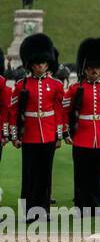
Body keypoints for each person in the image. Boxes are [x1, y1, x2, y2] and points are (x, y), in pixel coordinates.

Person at [11, 33, 65, 222]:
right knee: (29, 174)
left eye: (44, 63)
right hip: (30, 135)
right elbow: (14, 113)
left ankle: (43, 211)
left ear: (48, 63)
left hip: (48, 134)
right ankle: (27, 212)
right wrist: (15, 136)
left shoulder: (56, 85)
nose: (41, 66)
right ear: (30, 64)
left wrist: (59, 136)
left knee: (45, 174)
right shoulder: (21, 85)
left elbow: (59, 112)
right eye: (37, 63)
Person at [63, 37, 100, 216]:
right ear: (84, 69)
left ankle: (94, 206)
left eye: (97, 67)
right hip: (82, 136)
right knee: (81, 174)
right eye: (90, 67)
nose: (94, 70)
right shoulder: (75, 88)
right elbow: (66, 112)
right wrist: (67, 132)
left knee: (97, 174)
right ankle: (80, 207)